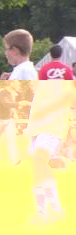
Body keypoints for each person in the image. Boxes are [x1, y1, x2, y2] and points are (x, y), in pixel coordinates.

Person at [26, 80, 76, 221]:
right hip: (36, 128)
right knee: (39, 168)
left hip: (51, 127)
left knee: (39, 163)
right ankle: (49, 211)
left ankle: (48, 211)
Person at [0, 81, 21, 166]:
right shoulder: (2, 93)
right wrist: (19, 104)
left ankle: (14, 161)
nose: (19, 85)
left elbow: (10, 106)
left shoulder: (12, 94)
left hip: (9, 120)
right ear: (11, 83)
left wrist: (14, 113)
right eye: (17, 83)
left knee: (12, 140)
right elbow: (6, 104)